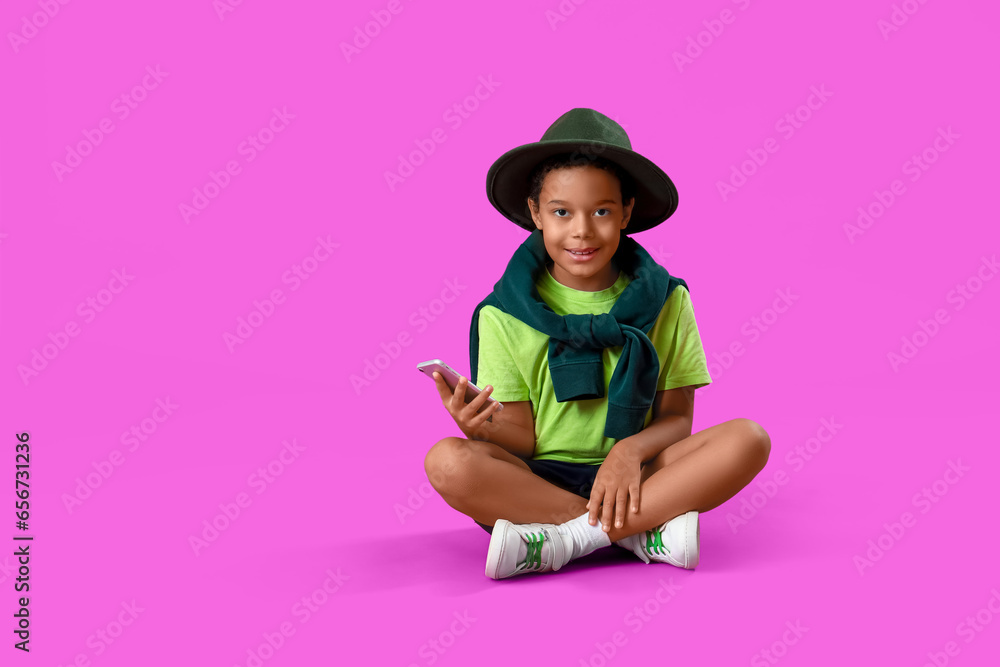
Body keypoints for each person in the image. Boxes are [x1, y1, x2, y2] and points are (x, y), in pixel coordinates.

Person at [424, 108, 770, 580]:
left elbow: (677, 420)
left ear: (627, 211)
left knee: (747, 439)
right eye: (561, 212)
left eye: (602, 211)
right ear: (535, 214)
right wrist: (481, 426)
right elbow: (523, 438)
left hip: (640, 473)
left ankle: (564, 540)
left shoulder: (668, 299)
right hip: (539, 481)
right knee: (447, 462)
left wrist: (626, 454)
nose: (582, 230)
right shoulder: (502, 313)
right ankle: (637, 532)